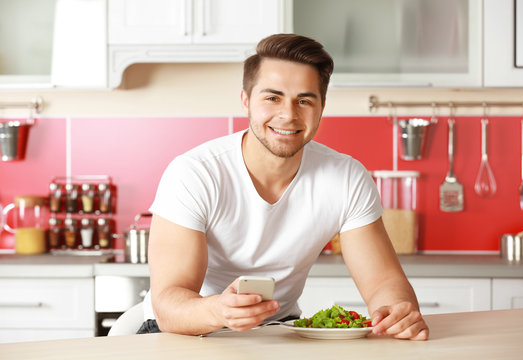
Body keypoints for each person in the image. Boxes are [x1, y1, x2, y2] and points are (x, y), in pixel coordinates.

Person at [140, 33, 429, 340]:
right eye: (272, 98)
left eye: (304, 100)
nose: (288, 115)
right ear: (246, 100)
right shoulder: (195, 173)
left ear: (321, 106)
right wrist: (217, 311)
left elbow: (382, 281)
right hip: (185, 331)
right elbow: (169, 304)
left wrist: (397, 313)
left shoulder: (347, 178)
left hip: (280, 329)